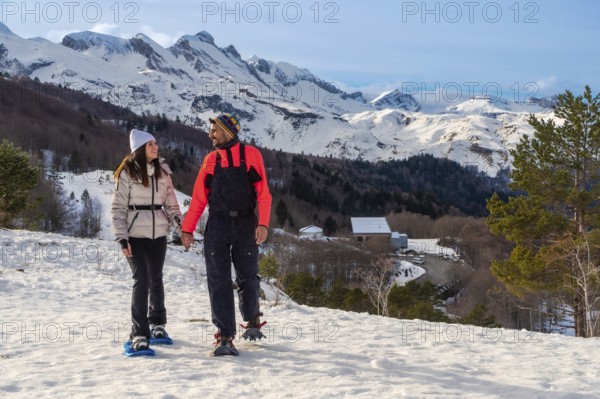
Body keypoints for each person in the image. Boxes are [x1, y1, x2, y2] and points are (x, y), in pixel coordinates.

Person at [180, 113, 272, 356]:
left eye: (214, 130)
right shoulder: (210, 160)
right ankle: (225, 336)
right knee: (218, 281)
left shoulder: (252, 155)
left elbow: (263, 193)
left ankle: (252, 320)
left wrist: (262, 223)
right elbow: (199, 199)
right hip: (217, 225)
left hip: (245, 224)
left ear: (227, 131)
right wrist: (187, 229)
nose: (210, 135)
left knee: (248, 277)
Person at [111, 129, 183, 353]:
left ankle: (158, 323)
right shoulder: (127, 173)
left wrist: (181, 226)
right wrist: (122, 238)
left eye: (156, 143)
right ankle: (139, 333)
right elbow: (118, 208)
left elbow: (171, 204)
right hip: (134, 236)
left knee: (156, 278)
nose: (156, 146)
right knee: (141, 280)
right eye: (151, 144)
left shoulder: (163, 172)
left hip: (158, 233)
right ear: (140, 148)